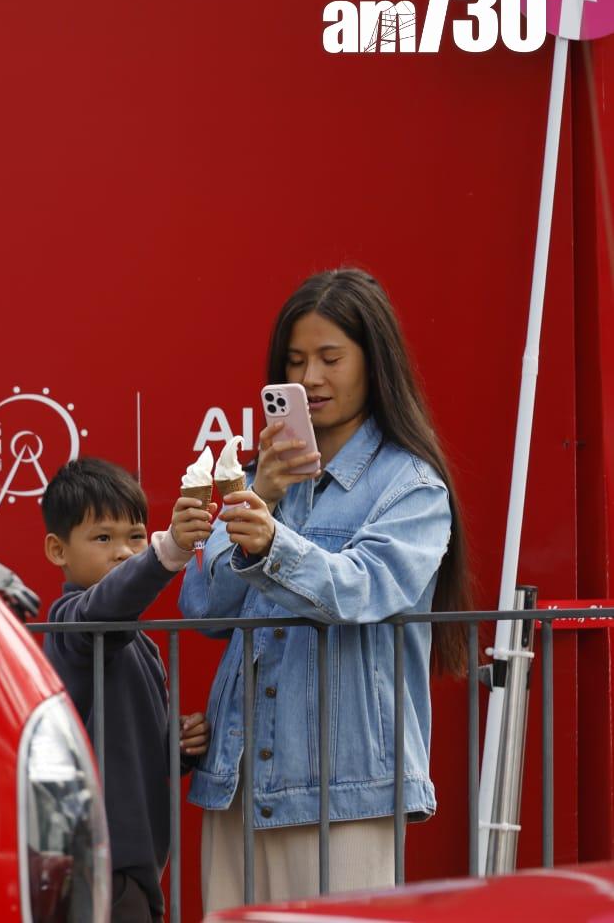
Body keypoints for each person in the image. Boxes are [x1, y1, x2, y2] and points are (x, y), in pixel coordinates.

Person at [179, 268, 470, 911]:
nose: (310, 379)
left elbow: (362, 589)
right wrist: (267, 494)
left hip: (346, 780)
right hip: (237, 775)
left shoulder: (411, 486)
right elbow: (201, 607)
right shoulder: (262, 478)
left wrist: (274, 543)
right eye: (295, 361)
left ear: (375, 362)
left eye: (331, 358)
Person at [41, 457, 214, 922]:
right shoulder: (68, 625)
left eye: (135, 537)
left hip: (137, 866)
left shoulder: (139, 641)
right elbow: (107, 605)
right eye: (103, 538)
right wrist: (168, 551)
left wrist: (177, 744)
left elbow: (129, 745)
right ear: (58, 551)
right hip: (96, 867)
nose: (123, 551)